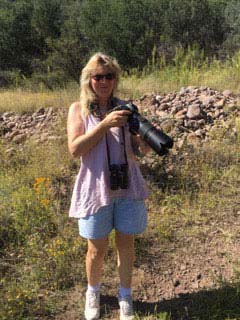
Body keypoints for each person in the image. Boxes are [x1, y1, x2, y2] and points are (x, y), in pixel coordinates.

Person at [67, 52, 150, 320]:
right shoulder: (78, 109)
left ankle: (125, 296)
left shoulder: (126, 108)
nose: (104, 81)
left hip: (127, 187)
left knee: (126, 245)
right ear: (88, 80)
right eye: (98, 76)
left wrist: (146, 141)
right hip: (95, 188)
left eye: (109, 76)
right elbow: (75, 148)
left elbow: (139, 150)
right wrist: (104, 124)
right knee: (96, 249)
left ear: (116, 79)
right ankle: (94, 292)